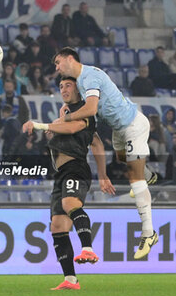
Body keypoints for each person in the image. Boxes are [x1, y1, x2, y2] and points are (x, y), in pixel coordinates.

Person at [50, 47, 159, 260]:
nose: (56, 67)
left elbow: (90, 110)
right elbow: (79, 98)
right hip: (120, 128)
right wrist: (66, 105)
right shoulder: (82, 78)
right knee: (122, 160)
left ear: (70, 59)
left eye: (58, 62)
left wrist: (67, 118)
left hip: (133, 126)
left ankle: (149, 233)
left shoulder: (90, 77)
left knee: (135, 181)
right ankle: (148, 175)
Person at [23, 76, 115, 290]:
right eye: (61, 86)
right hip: (61, 173)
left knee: (70, 204)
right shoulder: (64, 115)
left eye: (68, 85)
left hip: (76, 167)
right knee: (57, 226)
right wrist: (55, 123)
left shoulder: (85, 111)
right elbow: (97, 142)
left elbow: (75, 129)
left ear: (79, 89)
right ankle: (71, 279)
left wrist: (42, 125)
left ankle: (88, 249)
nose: (63, 89)